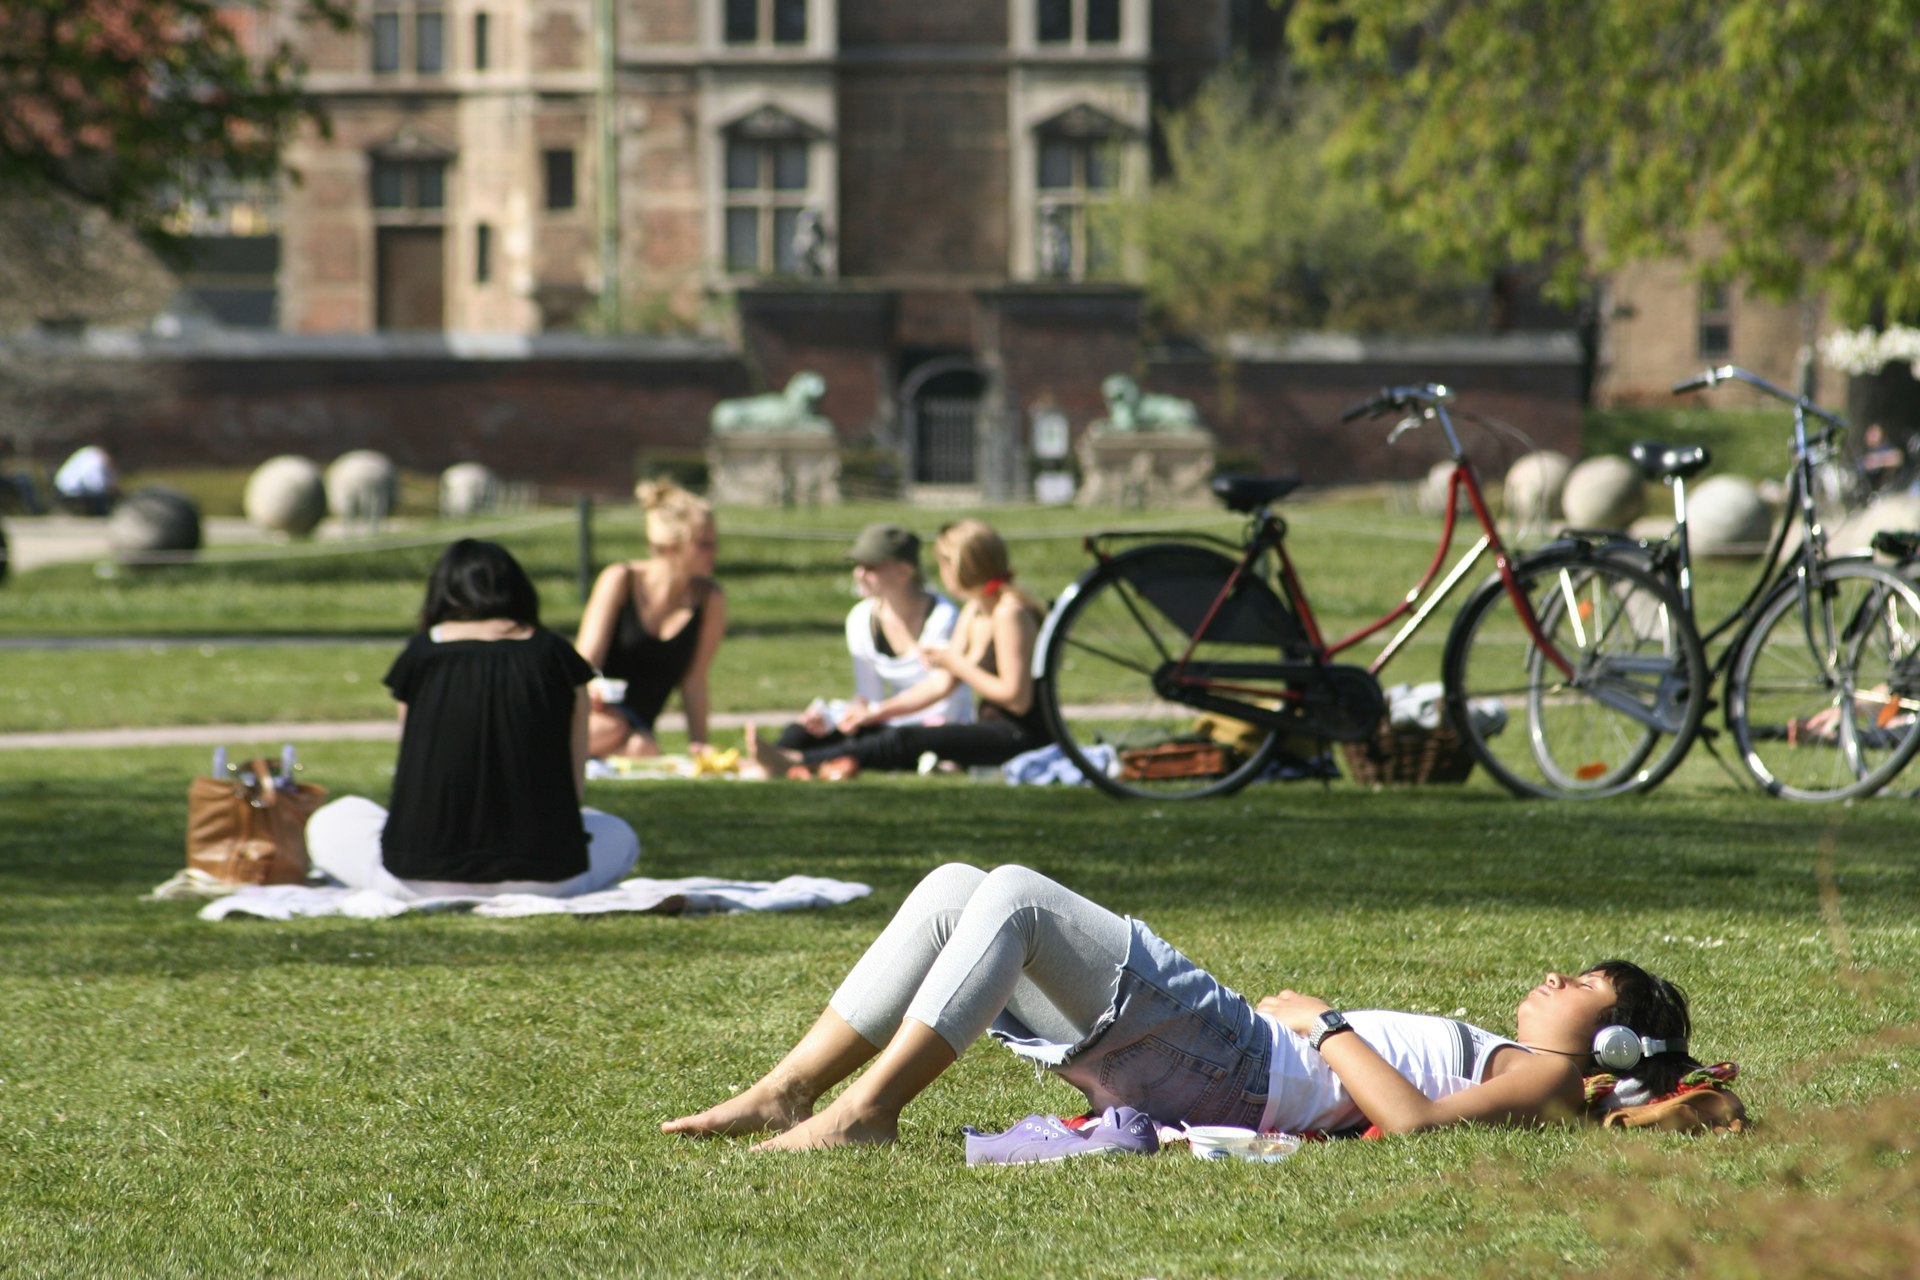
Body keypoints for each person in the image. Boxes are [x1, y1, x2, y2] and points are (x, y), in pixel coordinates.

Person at [663, 863, 1703, 1150]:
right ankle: (788, 1090)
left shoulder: (1551, 1079)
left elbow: (1418, 1123)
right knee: (953, 892)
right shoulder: (1521, 1058)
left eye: (1584, 986)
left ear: (1613, 1042)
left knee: (1014, 894)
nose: (1557, 979)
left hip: (1239, 1063)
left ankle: (865, 1109)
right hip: (1221, 1062)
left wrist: (1326, 1023)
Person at [306, 539, 639, 898]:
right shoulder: (557, 656)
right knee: (617, 833)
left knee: (331, 820)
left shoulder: (421, 656)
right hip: (548, 877)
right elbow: (573, 787)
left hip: (417, 877)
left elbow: (417, 768)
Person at [747, 519, 1047, 776]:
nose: (941, 572)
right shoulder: (975, 609)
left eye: (945, 563)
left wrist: (957, 664)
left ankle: (796, 762)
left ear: (963, 566)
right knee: (879, 732)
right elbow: (941, 683)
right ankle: (778, 758)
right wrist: (875, 712)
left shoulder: (1008, 613)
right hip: (992, 728)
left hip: (1018, 735)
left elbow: (1017, 699)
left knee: (907, 738)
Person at [773, 523, 971, 760]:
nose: (858, 574)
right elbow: (868, 697)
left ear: (903, 572)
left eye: (870, 567)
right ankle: (768, 761)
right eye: (857, 565)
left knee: (889, 742)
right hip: (887, 721)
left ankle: (794, 761)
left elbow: (941, 686)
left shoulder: (944, 617)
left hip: (938, 727)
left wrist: (877, 712)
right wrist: (838, 717)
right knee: (800, 732)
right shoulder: (860, 618)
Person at [575, 480, 727, 758]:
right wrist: (592, 692)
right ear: (671, 546)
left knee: (643, 748)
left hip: (638, 729)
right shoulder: (620, 579)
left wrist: (700, 747)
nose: (714, 552)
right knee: (612, 729)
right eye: (703, 544)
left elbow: (694, 682)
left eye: (714, 543)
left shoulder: (709, 598)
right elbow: (584, 664)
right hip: (595, 713)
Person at [51, 444, 116, 516]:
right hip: (69, 490)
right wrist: (107, 490)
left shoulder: (89, 453)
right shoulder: (94, 460)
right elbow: (91, 483)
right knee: (100, 496)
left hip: (62, 486)